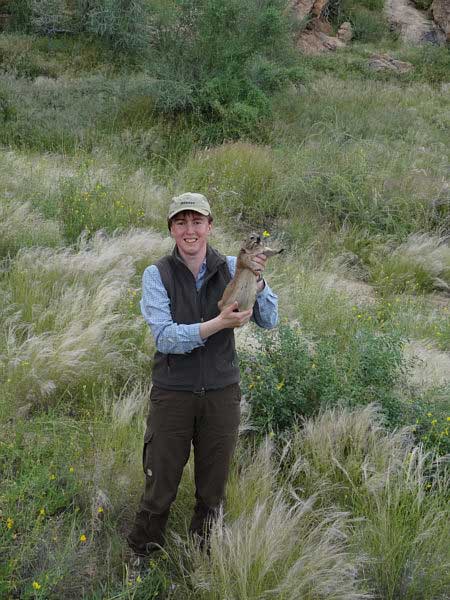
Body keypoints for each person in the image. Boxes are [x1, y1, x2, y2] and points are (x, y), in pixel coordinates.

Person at [127, 192, 279, 557]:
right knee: (159, 483)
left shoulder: (233, 266)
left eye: (197, 222)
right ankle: (142, 556)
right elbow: (165, 338)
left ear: (210, 226)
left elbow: (269, 320)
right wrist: (217, 323)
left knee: (213, 489)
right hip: (173, 393)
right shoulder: (156, 274)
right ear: (172, 229)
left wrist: (256, 280)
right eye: (181, 222)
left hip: (221, 393)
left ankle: (203, 555)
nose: (189, 230)